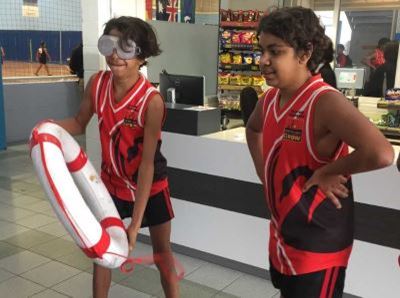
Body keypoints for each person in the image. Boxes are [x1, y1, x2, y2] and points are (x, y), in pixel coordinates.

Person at [246, 7, 393, 298]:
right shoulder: (270, 99)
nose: (263, 60)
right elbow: (253, 129)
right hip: (283, 233)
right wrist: (265, 174)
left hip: (319, 243)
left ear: (304, 53)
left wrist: (328, 171)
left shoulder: (323, 101)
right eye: (261, 50)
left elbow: (381, 153)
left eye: (275, 51)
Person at [55, 17, 179, 298]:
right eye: (109, 45)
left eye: (125, 48)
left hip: (151, 187)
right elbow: (78, 121)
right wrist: (47, 129)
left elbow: (147, 164)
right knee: (103, 252)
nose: (114, 55)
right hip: (110, 186)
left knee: (162, 253)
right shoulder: (97, 84)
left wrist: (134, 225)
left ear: (141, 56)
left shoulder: (152, 101)